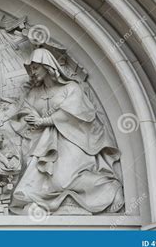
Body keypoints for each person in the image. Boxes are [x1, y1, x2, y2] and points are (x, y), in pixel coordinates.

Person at [10, 48, 124, 215]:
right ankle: (53, 202)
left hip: (74, 139)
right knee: (35, 182)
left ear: (47, 66)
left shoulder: (71, 88)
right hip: (46, 143)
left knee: (62, 180)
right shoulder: (34, 93)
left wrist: (45, 120)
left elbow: (75, 112)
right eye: (31, 69)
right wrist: (31, 116)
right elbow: (25, 110)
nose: (32, 72)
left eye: (35, 67)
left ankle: (110, 188)